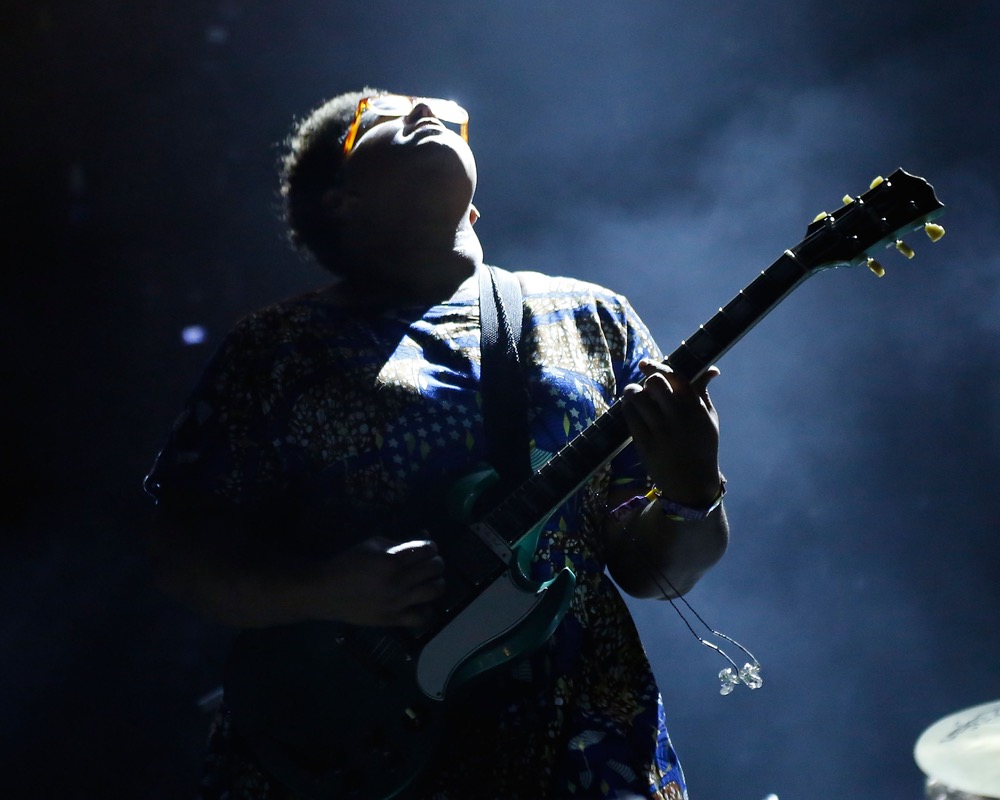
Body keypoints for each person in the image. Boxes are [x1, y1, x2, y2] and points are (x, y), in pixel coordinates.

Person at [145, 88, 729, 800]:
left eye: (450, 120)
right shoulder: (275, 348)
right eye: (388, 119)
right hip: (350, 756)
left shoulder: (594, 318)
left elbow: (652, 572)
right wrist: (321, 589)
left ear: (473, 207)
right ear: (340, 197)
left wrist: (694, 490)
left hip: (581, 751)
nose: (433, 112)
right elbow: (181, 552)